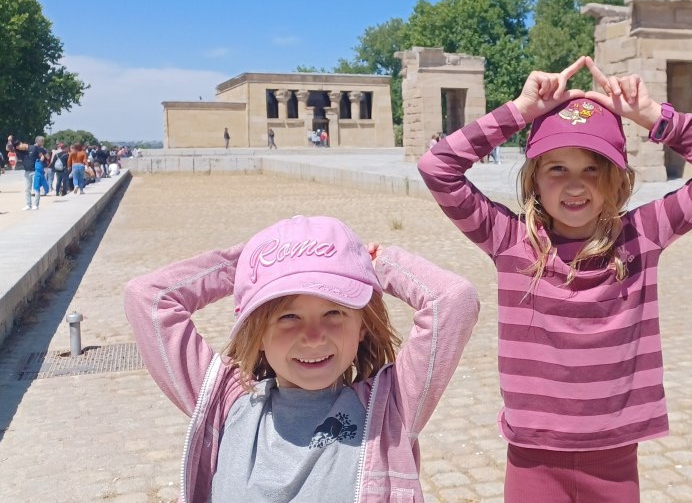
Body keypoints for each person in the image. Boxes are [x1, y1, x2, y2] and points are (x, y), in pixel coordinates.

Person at [418, 57, 692, 502]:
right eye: (557, 168)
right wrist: (519, 112)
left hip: (613, 455)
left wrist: (651, 116)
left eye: (591, 168)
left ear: (616, 178)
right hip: (533, 455)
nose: (575, 185)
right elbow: (437, 167)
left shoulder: (642, 236)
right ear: (534, 177)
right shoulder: (510, 241)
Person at [124, 215, 480, 502]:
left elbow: (453, 301)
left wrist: (381, 264)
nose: (313, 336)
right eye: (287, 317)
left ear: (362, 327)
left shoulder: (389, 410)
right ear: (257, 333)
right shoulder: (226, 402)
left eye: (334, 313)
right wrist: (250, 264)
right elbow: (147, 298)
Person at [21, 136, 45, 210]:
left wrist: (39, 162)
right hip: (27, 171)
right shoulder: (22, 151)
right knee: (27, 189)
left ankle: (36, 205)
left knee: (36, 188)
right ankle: (28, 205)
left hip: (35, 171)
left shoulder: (35, 148)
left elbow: (42, 157)